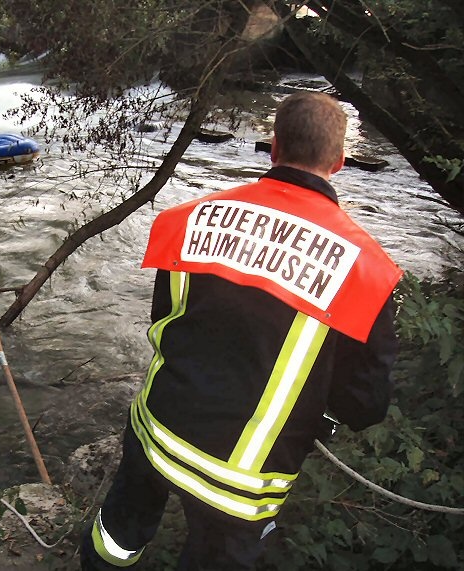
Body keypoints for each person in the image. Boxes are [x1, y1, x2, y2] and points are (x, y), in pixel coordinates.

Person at [81, 92, 403, 570]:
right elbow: (365, 403)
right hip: (241, 475)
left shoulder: (189, 220)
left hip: (158, 427)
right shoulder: (367, 270)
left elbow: (165, 321)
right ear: (338, 161)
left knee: (117, 538)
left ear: (272, 148)